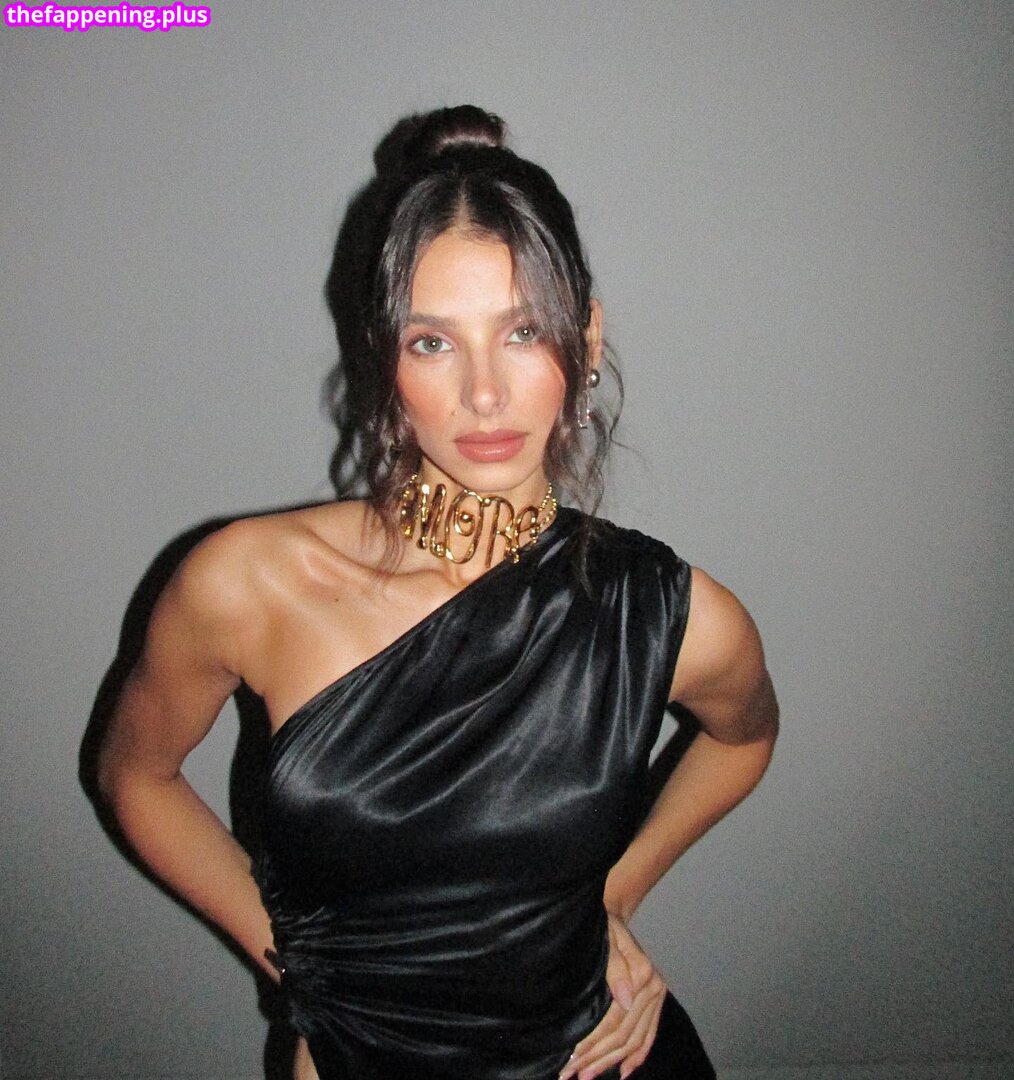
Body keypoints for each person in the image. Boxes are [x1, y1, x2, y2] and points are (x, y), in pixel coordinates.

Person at [98, 105, 778, 1080]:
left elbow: (743, 738)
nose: (484, 393)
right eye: (432, 343)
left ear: (585, 338)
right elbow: (137, 774)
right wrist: (300, 969)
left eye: (523, 331)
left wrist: (615, 895)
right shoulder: (244, 584)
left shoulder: (668, 615)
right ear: (384, 355)